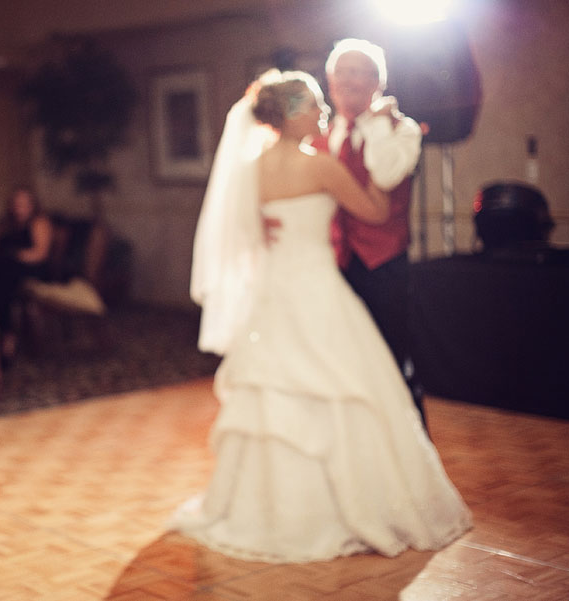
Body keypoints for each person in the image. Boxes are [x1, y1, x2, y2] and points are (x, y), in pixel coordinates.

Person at [176, 69, 471, 563]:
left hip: (273, 297)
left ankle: (270, 510)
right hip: (317, 289)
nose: (323, 113)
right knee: (350, 389)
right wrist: (385, 180)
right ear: (291, 115)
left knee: (276, 397)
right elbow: (375, 213)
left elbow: (244, 233)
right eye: (314, 105)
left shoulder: (251, 168)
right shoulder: (322, 165)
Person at [270, 38, 426, 420]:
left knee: (391, 362)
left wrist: (375, 126)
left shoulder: (401, 129)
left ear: (378, 82)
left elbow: (387, 176)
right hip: (330, 267)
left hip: (383, 264)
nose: (350, 81)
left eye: (361, 72)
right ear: (330, 80)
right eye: (342, 72)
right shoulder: (315, 139)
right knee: (341, 365)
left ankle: (408, 443)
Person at [0, 186, 54, 357]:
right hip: (5, 270)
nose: (19, 208)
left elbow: (40, 254)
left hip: (32, 269)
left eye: (24, 204)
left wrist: (14, 255)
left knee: (3, 276)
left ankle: (4, 334)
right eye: (17, 204)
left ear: (32, 205)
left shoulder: (39, 222)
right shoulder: (5, 224)